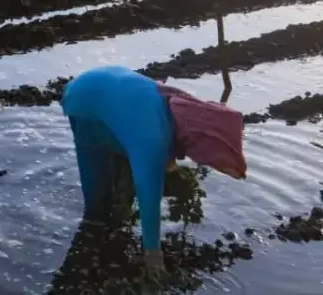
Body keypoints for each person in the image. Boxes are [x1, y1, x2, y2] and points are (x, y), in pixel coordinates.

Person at [62, 66, 247, 279]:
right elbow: (148, 194)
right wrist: (152, 252)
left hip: (99, 88)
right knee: (100, 198)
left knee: (116, 171)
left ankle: (98, 235)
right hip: (87, 103)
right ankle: (93, 234)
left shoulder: (180, 107)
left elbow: (161, 138)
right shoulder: (153, 138)